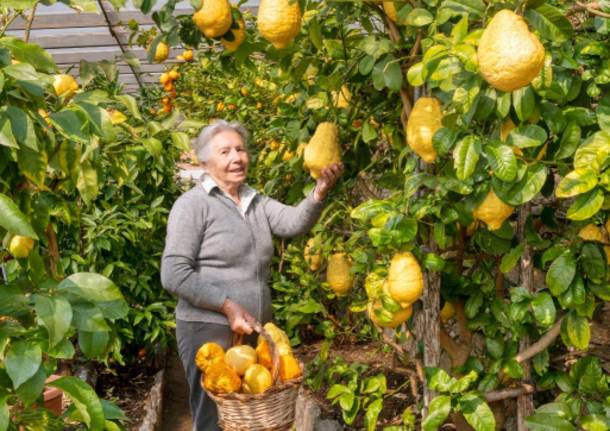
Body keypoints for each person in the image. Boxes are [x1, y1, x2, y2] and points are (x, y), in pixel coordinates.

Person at [160, 120, 343, 431]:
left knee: (251, 416)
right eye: (225, 151)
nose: (236, 157)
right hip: (208, 330)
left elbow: (292, 223)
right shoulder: (192, 205)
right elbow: (173, 273)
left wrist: (319, 192)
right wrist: (227, 306)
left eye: (241, 149)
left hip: (254, 328)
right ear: (205, 161)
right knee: (213, 418)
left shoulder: (253, 201)